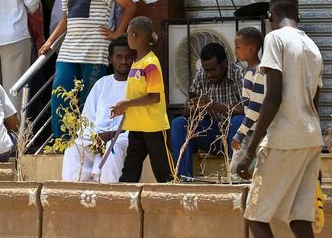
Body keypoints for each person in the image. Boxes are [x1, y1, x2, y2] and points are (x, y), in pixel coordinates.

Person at [233, 0, 324, 238]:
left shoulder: (275, 39)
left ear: (271, 16)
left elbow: (272, 96)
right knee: (300, 220)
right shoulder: (313, 48)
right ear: (299, 16)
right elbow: (315, 101)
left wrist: (250, 150)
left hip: (284, 139)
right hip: (310, 139)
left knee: (255, 216)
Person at [41, 0, 135, 138]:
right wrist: (50, 41)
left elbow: (130, 6)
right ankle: (63, 142)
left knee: (90, 100)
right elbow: (66, 19)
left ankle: (89, 140)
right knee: (60, 95)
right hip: (69, 51)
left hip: (96, 52)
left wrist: (118, 33)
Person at [62, 37, 133, 183]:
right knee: (73, 149)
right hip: (97, 135)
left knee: (112, 149)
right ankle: (70, 192)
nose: (124, 61)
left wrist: (110, 135)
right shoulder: (102, 84)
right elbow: (88, 117)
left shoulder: (137, 84)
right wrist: (95, 136)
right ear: (110, 59)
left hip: (124, 136)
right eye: (119, 57)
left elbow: (137, 121)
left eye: (128, 56)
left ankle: (108, 193)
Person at [170, 42, 245, 179]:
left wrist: (213, 105)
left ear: (225, 64)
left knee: (238, 121)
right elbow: (186, 112)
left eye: (213, 69)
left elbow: (247, 110)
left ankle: (236, 176)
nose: (209, 74)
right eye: (206, 70)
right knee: (179, 123)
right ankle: (183, 179)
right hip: (212, 133)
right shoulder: (201, 75)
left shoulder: (239, 73)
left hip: (235, 136)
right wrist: (194, 107)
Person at [111, 16, 172, 183]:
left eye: (129, 33)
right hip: (137, 126)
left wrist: (127, 103)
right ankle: (125, 204)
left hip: (154, 128)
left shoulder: (150, 63)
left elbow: (154, 97)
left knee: (164, 173)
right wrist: (123, 107)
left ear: (135, 37)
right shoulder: (137, 62)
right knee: (130, 171)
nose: (127, 36)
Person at [230, 27, 264, 172]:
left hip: (255, 134)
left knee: (236, 172)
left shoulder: (258, 73)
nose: (235, 51)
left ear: (250, 48)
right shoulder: (248, 72)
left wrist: (240, 133)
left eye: (238, 47)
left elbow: (254, 109)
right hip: (252, 132)